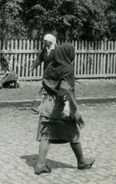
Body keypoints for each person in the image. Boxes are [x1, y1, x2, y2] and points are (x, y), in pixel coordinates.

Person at [34, 43, 94, 175]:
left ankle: (40, 165)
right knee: (73, 132)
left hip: (48, 104)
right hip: (61, 105)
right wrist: (67, 105)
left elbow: (46, 82)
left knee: (46, 134)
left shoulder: (51, 66)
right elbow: (65, 87)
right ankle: (82, 162)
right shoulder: (68, 68)